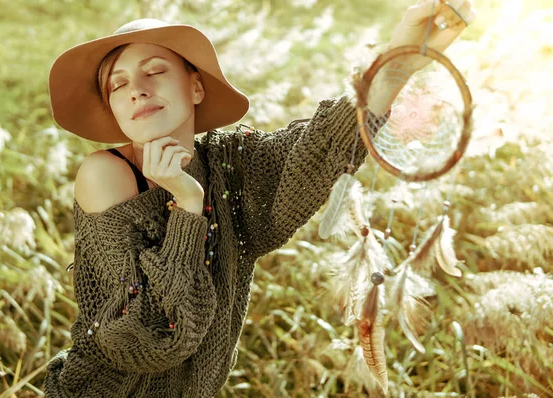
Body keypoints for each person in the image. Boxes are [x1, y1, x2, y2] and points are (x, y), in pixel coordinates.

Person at [43, 1, 476, 396]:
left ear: (196, 88)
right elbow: (147, 340)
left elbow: (320, 146)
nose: (136, 88)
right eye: (118, 85)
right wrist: (188, 206)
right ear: (115, 109)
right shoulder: (107, 176)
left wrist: (401, 58)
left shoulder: (232, 165)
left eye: (155, 71)